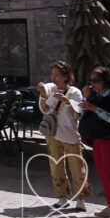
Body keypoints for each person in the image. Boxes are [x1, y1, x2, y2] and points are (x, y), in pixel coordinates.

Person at [36, 60, 90, 210]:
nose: (54, 78)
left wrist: (67, 102)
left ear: (66, 76)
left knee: (77, 168)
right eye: (52, 74)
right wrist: (43, 95)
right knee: (56, 166)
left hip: (70, 134)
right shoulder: (50, 89)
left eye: (57, 74)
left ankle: (81, 199)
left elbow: (78, 115)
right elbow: (44, 110)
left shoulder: (75, 92)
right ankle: (62, 197)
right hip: (53, 133)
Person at [78, 65, 110, 218]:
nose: (92, 84)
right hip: (98, 138)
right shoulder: (96, 96)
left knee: (109, 172)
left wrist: (94, 108)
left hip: (108, 139)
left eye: (95, 81)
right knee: (102, 172)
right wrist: (86, 100)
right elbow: (87, 112)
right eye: (90, 80)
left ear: (105, 80)